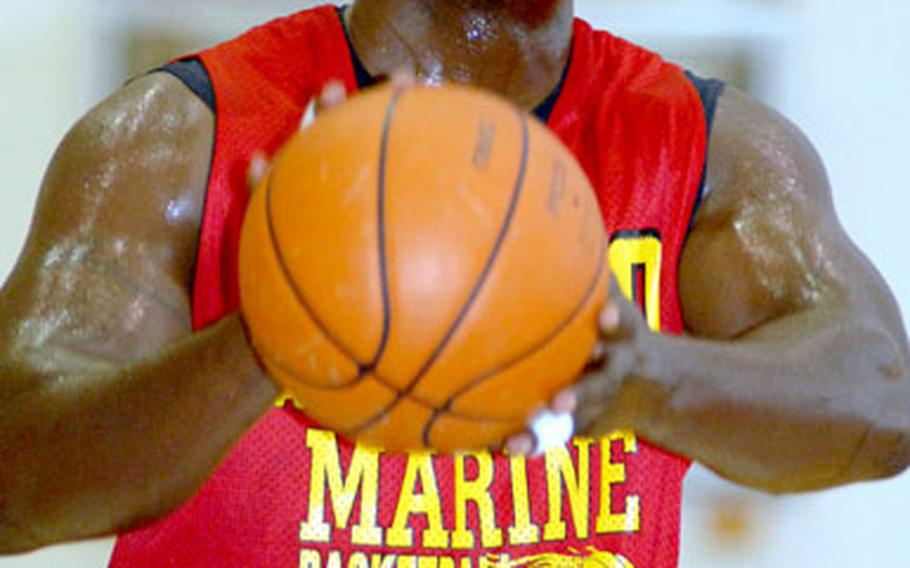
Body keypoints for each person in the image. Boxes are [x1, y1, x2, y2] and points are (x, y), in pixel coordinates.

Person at [0, 0, 907, 566]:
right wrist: (270, 337)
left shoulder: (709, 152)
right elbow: (15, 480)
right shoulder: (178, 138)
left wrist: (651, 379)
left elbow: (883, 400)